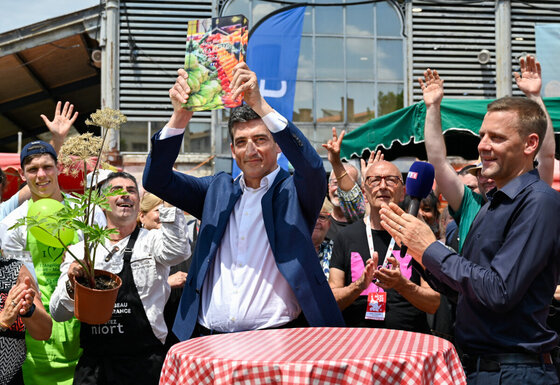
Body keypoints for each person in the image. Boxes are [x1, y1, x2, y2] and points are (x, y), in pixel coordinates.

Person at [143, 62, 344, 340]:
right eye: (241, 141)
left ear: (278, 147)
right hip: (207, 340)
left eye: (261, 139)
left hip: (277, 341)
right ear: (232, 149)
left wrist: (259, 103)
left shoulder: (295, 192)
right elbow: (156, 179)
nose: (251, 150)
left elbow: (310, 166)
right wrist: (181, 116)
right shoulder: (216, 191)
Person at [380, 96, 560, 383]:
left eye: (497, 137)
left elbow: (499, 291)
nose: (483, 146)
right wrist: (418, 253)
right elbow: (465, 290)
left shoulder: (539, 202)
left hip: (514, 371)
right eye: (482, 136)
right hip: (477, 368)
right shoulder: (491, 205)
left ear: (530, 144)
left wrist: (430, 248)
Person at [49, 172, 191, 385]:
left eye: (131, 191)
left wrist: (168, 199)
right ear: (100, 202)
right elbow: (58, 313)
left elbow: (178, 252)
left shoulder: (152, 242)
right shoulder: (82, 250)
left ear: (138, 202)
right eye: (116, 191)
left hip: (144, 365)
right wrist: (72, 282)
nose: (125, 195)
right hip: (95, 369)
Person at [421, 55, 554, 253]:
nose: (486, 176)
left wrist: (534, 97)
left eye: (491, 166)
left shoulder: (533, 198)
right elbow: (438, 162)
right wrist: (432, 108)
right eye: (480, 172)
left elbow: (546, 156)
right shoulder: (469, 205)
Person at [0, 140, 84, 385]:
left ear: (58, 168)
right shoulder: (12, 223)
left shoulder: (84, 212)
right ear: (24, 176)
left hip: (84, 330)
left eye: (47, 167)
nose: (41, 175)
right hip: (36, 331)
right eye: (33, 170)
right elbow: (22, 284)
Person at [329, 160, 440, 332]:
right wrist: (359, 286)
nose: (382, 186)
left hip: (408, 343)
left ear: (403, 193)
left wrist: (401, 284)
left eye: (390, 180)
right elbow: (330, 302)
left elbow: (433, 303)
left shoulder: (418, 237)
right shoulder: (345, 237)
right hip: (358, 342)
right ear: (364, 193)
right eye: (374, 180)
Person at [0, 101, 74, 222]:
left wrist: (57, 139)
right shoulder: (9, 219)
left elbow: (37, 180)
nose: (41, 173)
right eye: (33, 169)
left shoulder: (3, 212)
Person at [137, 191, 190, 348]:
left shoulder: (182, 244)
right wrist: (166, 283)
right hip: (149, 327)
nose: (164, 214)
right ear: (142, 216)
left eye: (167, 209)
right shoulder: (138, 245)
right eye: (158, 210)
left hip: (179, 323)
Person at [1, 258, 52, 385]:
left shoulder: (14, 270)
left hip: (11, 378)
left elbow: (44, 332)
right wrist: (2, 322)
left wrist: (29, 310)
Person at [322, 127, 366, 241]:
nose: (339, 189)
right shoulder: (319, 223)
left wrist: (336, 163)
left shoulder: (365, 223)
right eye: (335, 183)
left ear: (359, 190)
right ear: (328, 187)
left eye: (346, 184)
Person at [312, 198, 334, 279]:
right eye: (313, 216)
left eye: (322, 217)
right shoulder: (293, 249)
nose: (317, 221)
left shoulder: (336, 251)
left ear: (329, 224)